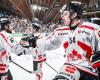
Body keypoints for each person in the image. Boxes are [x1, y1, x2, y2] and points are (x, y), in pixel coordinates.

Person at [31, 1, 100, 80]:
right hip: (69, 67)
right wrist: (33, 42)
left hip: (89, 71)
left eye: (65, 14)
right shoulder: (61, 31)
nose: (62, 17)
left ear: (74, 15)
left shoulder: (93, 29)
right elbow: (47, 43)